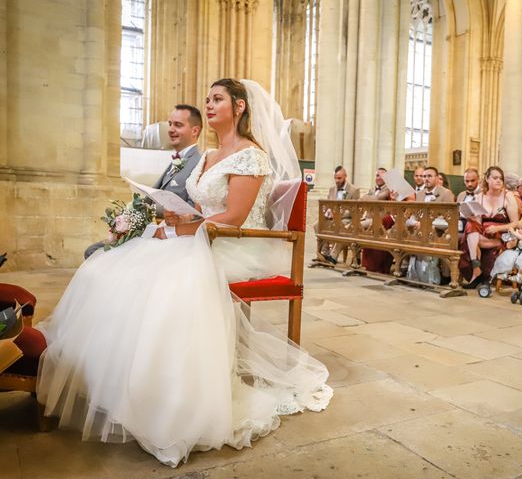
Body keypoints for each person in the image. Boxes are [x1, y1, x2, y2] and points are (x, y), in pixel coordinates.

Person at [35, 79, 332, 467]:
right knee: (108, 268)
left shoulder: (250, 156)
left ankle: (173, 401)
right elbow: (204, 210)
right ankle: (115, 384)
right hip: (204, 236)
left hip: (237, 245)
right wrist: (175, 217)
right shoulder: (208, 155)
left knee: (163, 282)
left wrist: (178, 228)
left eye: (217, 99)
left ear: (239, 107)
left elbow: (234, 219)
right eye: (207, 99)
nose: (208, 105)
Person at [84, 105, 203, 258]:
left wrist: (152, 213)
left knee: (96, 254)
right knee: (94, 251)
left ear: (195, 130)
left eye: (178, 125)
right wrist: (127, 215)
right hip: (152, 227)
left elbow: (195, 211)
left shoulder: (199, 163)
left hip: (175, 236)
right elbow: (150, 196)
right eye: (170, 124)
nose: (171, 129)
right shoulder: (177, 160)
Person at [460, 166, 519, 289]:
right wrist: (472, 217)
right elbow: (478, 222)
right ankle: (476, 268)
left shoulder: (508, 196)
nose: (499, 181)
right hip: (484, 234)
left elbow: (515, 223)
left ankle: (476, 273)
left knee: (470, 239)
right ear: (487, 179)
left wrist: (497, 228)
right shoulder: (480, 196)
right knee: (471, 226)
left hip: (503, 234)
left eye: (501, 179)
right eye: (495, 178)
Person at [319, 166, 360, 264]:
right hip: (332, 217)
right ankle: (325, 253)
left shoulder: (354, 190)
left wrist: (338, 215)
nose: (337, 181)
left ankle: (333, 256)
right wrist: (328, 212)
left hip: (347, 219)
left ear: (345, 176)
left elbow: (354, 210)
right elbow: (328, 204)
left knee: (342, 226)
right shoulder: (332, 189)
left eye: (339, 178)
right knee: (318, 224)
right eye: (335, 178)